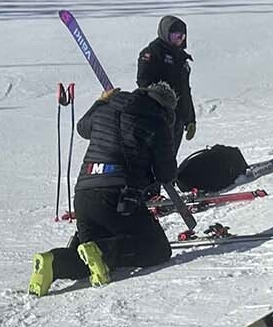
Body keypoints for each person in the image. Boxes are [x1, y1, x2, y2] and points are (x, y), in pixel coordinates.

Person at [28, 83, 179, 296]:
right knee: (157, 249)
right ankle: (101, 251)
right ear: (166, 107)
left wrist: (100, 101)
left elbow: (82, 128)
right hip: (119, 195)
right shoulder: (157, 121)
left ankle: (54, 262)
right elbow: (166, 174)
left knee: (92, 260)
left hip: (83, 195)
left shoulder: (107, 107)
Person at [136, 15, 196, 154]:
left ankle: (168, 176)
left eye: (182, 36)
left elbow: (185, 91)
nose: (179, 40)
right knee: (155, 156)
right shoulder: (152, 53)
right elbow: (143, 83)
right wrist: (161, 98)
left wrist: (190, 119)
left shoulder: (182, 58)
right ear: (166, 34)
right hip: (158, 118)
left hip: (178, 119)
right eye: (176, 36)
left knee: (169, 158)